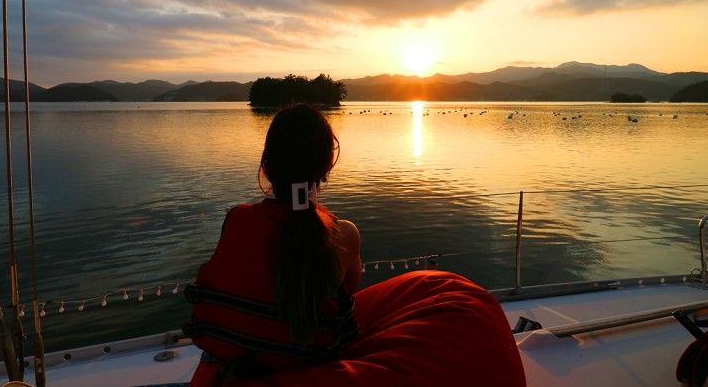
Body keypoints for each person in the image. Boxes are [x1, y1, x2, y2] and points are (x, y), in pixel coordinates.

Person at [185, 104, 526, 386]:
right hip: (312, 366)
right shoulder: (342, 235)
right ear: (327, 167)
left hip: (226, 370)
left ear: (266, 166)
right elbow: (347, 291)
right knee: (464, 301)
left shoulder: (236, 220)